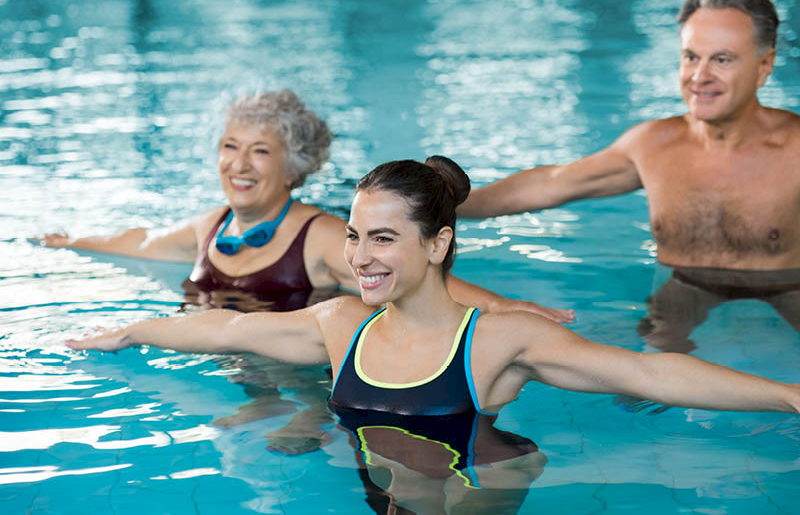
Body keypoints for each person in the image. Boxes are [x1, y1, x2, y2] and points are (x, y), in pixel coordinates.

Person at [66, 155, 799, 512]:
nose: (360, 256)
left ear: (438, 244)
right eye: (354, 235)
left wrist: (789, 395)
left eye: (384, 238)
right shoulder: (340, 324)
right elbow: (225, 329)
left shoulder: (496, 342)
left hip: (483, 479)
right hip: (388, 490)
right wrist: (131, 330)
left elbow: (649, 375)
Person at [456, 0, 800, 347]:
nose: (699, 77)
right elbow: (553, 183)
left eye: (722, 59)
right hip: (685, 287)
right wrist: (448, 204)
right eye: (690, 57)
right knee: (638, 393)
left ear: (764, 66)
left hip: (786, 287)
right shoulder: (653, 145)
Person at [39, 89, 572, 322]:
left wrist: (517, 310)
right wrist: (70, 243)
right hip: (221, 366)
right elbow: (142, 243)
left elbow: (424, 283)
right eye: (230, 147)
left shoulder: (320, 236)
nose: (239, 165)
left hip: (297, 383)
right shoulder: (212, 225)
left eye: (260, 152)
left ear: (293, 167)